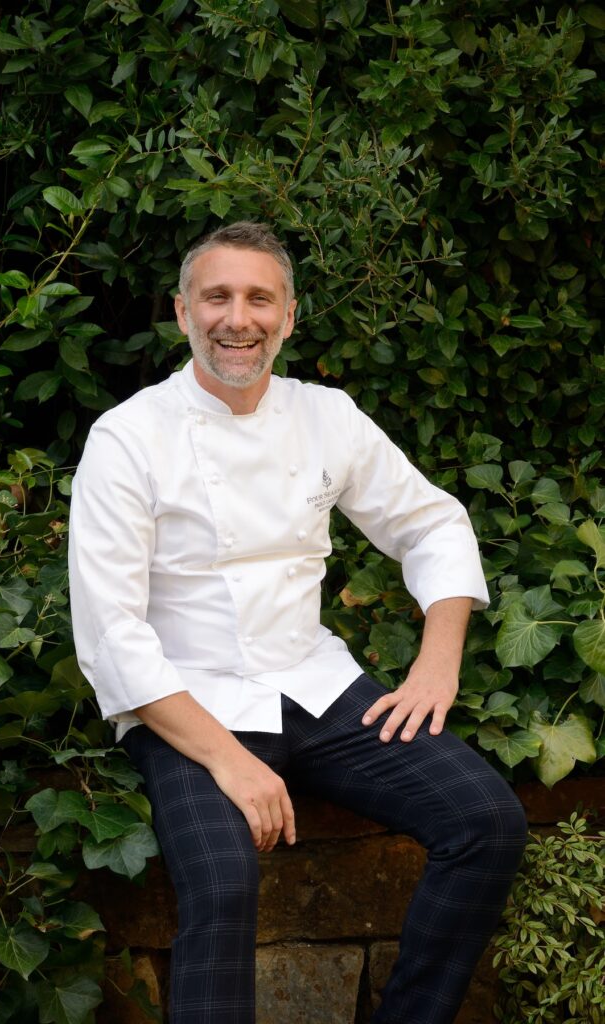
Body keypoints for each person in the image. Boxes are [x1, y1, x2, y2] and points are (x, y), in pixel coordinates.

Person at [68, 221, 527, 1024]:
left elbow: (431, 525)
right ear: (182, 312)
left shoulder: (326, 416)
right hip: (186, 701)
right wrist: (231, 763)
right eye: (216, 297)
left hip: (314, 684)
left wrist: (437, 662)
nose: (236, 318)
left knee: (485, 821)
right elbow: (112, 634)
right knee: (222, 882)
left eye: (258, 299)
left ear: (288, 315)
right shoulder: (128, 438)